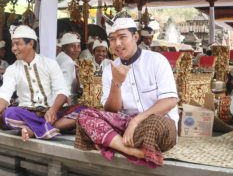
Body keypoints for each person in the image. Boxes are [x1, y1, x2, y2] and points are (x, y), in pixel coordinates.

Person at [75, 11, 178, 168]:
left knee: (154, 126)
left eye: (122, 37)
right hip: (126, 125)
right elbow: (111, 110)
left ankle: (112, 142)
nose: (117, 44)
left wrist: (136, 121)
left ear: (135, 37)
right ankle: (131, 150)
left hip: (157, 124)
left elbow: (170, 101)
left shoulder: (157, 61)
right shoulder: (110, 69)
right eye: (113, 39)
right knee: (84, 114)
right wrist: (117, 83)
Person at [0, 25, 85, 141]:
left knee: (83, 110)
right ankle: (47, 129)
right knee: (8, 114)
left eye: (17, 44)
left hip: (50, 113)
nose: (13, 49)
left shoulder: (49, 63)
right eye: (13, 45)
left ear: (31, 44)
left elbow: (62, 91)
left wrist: (53, 110)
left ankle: (34, 131)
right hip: (27, 113)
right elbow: (3, 94)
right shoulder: (13, 69)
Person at [56, 32, 82, 105]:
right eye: (73, 47)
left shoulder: (62, 57)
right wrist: (69, 109)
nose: (77, 50)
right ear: (64, 48)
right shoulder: (68, 62)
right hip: (66, 103)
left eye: (78, 46)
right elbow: (65, 90)